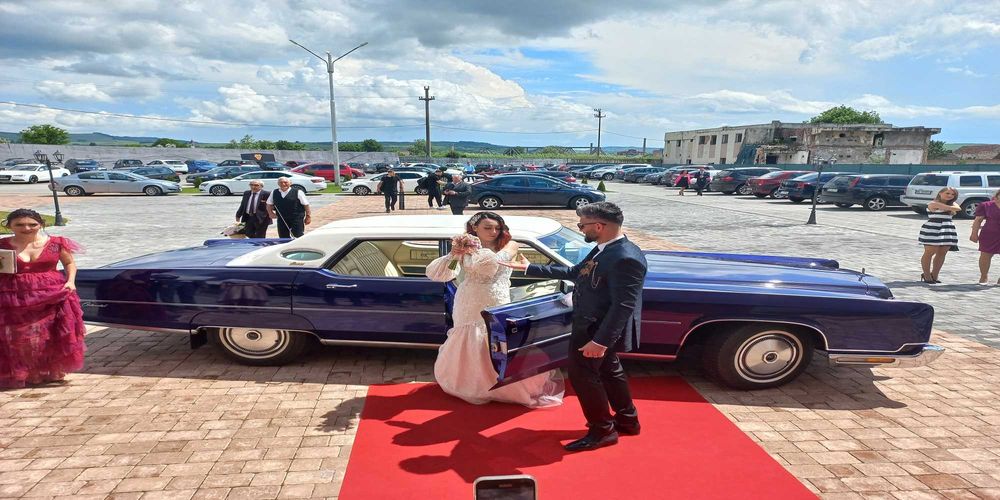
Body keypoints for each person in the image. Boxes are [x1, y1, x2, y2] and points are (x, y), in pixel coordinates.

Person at [504, 202, 647, 452]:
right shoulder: (604, 248)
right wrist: (529, 267)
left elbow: (623, 306)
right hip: (592, 325)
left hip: (597, 332)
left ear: (599, 226)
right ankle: (628, 420)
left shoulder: (625, 257)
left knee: (583, 377)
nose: (580, 229)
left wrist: (600, 342)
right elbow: (576, 272)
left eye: (582, 225)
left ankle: (602, 431)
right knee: (610, 371)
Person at [425, 212, 564, 407]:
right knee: (473, 341)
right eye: (488, 228)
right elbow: (446, 274)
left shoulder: (508, 245)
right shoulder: (468, 250)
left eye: (497, 228)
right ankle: (474, 386)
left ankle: (504, 383)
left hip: (499, 299)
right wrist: (454, 254)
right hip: (470, 301)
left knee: (499, 341)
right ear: (475, 228)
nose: (493, 232)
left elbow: (494, 267)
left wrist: (502, 249)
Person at [0, 209, 87, 389]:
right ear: (9, 226)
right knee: (18, 336)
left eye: (32, 224)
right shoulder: (2, 246)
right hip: (14, 296)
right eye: (19, 224)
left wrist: (70, 281)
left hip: (52, 294)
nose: (26, 228)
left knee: (51, 333)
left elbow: (69, 263)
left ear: (41, 224)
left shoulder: (56, 243)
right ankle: (26, 372)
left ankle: (50, 371)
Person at [919, 187, 961, 284]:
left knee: (942, 253)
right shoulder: (933, 203)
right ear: (940, 193)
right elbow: (956, 208)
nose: (950, 196)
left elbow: (958, 208)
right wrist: (951, 207)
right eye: (947, 193)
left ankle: (935, 275)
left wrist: (951, 207)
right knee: (929, 252)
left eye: (953, 194)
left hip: (947, 229)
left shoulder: (951, 203)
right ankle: (926, 275)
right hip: (933, 228)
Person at [971, 189, 1000, 285]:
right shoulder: (986, 205)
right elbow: (978, 220)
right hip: (989, 234)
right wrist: (974, 234)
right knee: (985, 255)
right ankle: (984, 276)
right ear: (997, 195)